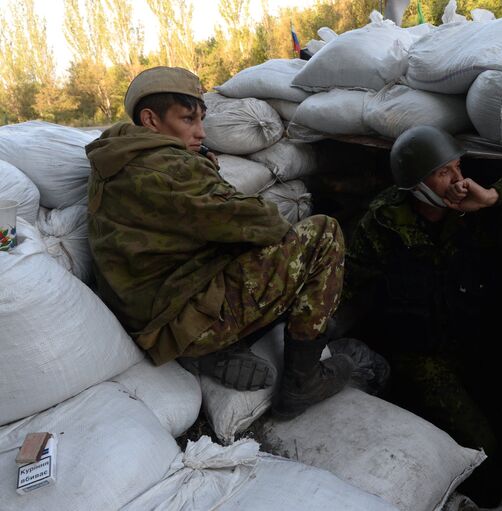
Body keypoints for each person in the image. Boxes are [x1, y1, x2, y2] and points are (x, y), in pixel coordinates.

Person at [85, 66, 352, 419]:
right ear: (150, 120)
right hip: (181, 321)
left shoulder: (119, 156)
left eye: (201, 119)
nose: (200, 132)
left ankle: (239, 342)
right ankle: (302, 382)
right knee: (322, 234)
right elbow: (261, 222)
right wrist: (206, 172)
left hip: (160, 308)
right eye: (187, 120)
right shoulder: (169, 168)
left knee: (254, 251)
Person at [339, 125, 502, 504]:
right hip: (422, 357)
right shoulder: (384, 222)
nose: (457, 179)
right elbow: (350, 283)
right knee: (484, 447)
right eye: (444, 172)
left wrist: (492, 198)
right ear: (416, 182)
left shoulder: (468, 204)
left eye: (458, 166)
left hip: (475, 338)